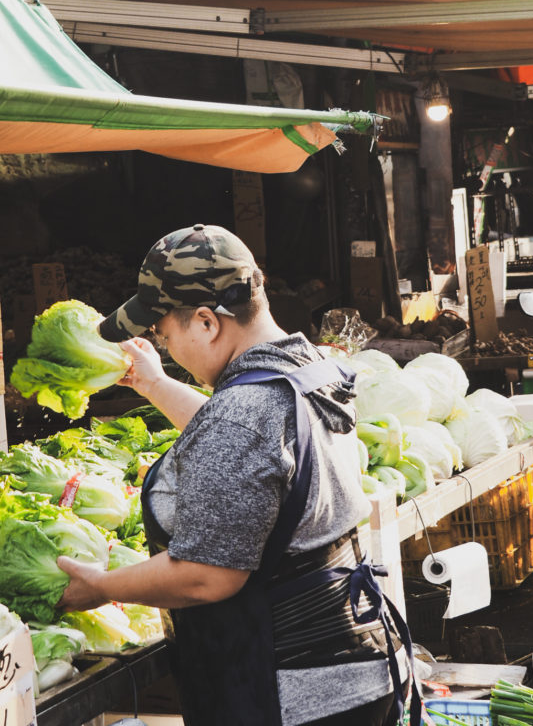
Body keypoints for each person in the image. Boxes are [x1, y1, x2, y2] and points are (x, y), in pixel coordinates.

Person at [57, 224, 417, 726]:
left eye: (164, 334)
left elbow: (208, 576)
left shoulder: (243, 413)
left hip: (293, 697)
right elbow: (253, 451)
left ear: (205, 322)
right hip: (351, 668)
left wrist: (102, 586)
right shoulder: (304, 366)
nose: (165, 349)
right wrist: (154, 384)